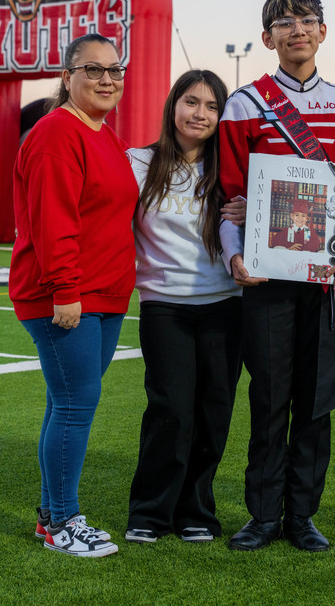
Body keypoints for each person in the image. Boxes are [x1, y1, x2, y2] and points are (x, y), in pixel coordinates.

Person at [218, 0, 335, 552]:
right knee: (269, 398)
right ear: (268, 38)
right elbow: (229, 195)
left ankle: (303, 515)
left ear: (323, 32)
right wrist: (234, 253)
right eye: (284, 23)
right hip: (266, 280)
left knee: (317, 398)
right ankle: (262, 516)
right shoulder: (243, 104)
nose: (296, 30)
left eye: (307, 20)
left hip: (328, 278)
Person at [9, 33, 138, 558]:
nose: (107, 79)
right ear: (67, 77)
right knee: (75, 405)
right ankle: (63, 521)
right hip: (66, 296)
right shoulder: (56, 133)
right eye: (93, 70)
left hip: (104, 295)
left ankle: (50, 516)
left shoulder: (103, 133)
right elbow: (54, 220)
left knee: (67, 403)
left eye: (114, 70)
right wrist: (66, 289)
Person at [124, 70, 243, 545]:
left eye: (212, 106)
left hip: (225, 305)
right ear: (173, 106)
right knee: (170, 410)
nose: (200, 114)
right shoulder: (137, 162)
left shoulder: (233, 169)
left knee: (214, 412)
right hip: (164, 305)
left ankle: (196, 511)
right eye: (191, 102)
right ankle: (150, 513)